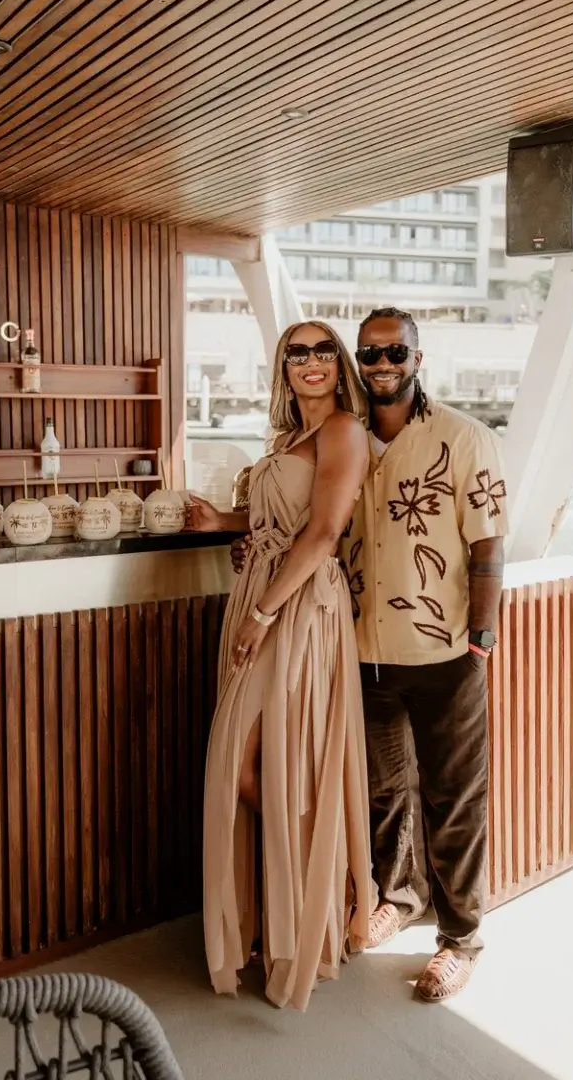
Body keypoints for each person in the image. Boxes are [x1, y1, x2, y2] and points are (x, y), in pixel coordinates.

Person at [231, 307, 508, 1003]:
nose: (382, 365)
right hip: (358, 648)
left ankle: (461, 939)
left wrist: (481, 635)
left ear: (418, 358)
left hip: (443, 650)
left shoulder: (463, 437)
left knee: (454, 797)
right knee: (383, 790)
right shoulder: (344, 435)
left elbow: (488, 541)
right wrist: (250, 536)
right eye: (371, 354)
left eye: (395, 353)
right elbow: (314, 521)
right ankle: (400, 896)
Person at [188, 321, 375, 1012]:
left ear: (339, 365)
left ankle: (317, 896)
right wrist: (222, 522)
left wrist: (263, 613)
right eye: (298, 352)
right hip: (262, 592)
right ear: (284, 367)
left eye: (324, 351)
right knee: (266, 763)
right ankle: (292, 903)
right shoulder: (288, 438)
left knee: (246, 762)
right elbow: (274, 520)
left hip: (296, 606)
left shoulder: (343, 430)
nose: (311, 362)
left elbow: (323, 532)